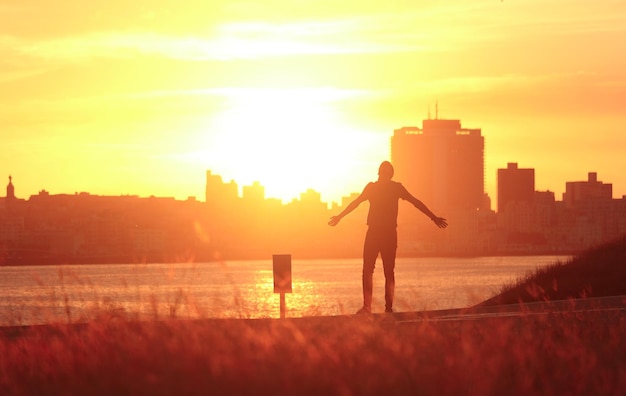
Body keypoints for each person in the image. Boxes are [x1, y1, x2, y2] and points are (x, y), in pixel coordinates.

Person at [328, 161, 448, 315]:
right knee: (367, 270)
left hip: (389, 234)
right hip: (373, 233)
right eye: (382, 171)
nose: (384, 173)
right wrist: (340, 216)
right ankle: (367, 307)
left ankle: (388, 308)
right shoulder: (371, 187)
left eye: (387, 171)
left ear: (390, 174)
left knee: (388, 271)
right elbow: (356, 203)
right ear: (379, 172)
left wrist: (433, 217)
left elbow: (415, 202)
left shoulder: (396, 187)